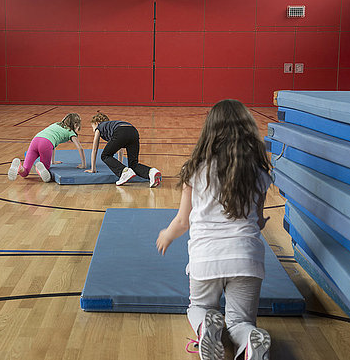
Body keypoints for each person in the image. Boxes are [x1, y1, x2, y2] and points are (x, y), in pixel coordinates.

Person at [156, 100, 272, 360]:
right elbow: (258, 220)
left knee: (198, 306)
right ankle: (249, 341)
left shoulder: (195, 171)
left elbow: (182, 222)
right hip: (247, 258)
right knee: (240, 322)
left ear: (210, 130)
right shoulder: (259, 173)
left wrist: (166, 234)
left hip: (206, 257)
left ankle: (206, 325)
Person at [84, 112, 161, 188]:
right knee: (133, 164)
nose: (93, 130)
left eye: (92, 127)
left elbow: (94, 150)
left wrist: (93, 169)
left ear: (97, 123)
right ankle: (152, 172)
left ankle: (125, 172)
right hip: (133, 131)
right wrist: (121, 167)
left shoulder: (99, 127)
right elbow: (120, 149)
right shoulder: (112, 126)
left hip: (120, 131)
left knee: (105, 155)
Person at [8, 113, 86, 183]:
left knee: (25, 173)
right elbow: (80, 148)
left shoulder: (56, 124)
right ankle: (40, 167)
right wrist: (83, 164)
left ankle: (19, 167)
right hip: (46, 144)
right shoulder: (70, 132)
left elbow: (54, 143)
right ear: (75, 124)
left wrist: (53, 161)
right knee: (46, 170)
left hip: (35, 140)